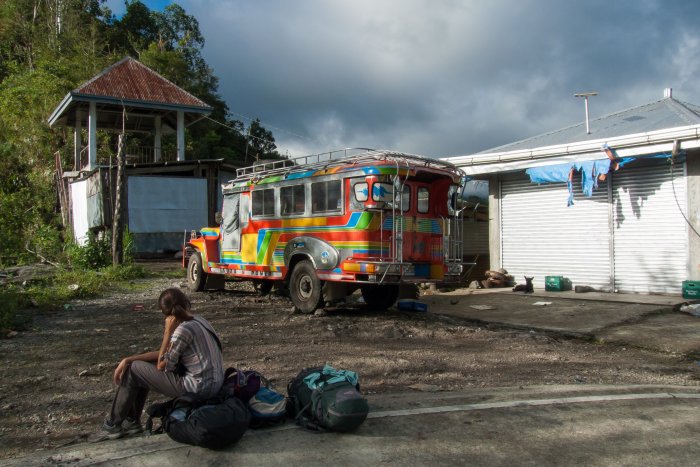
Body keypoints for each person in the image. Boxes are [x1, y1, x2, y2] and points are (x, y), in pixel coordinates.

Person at [93, 288, 224, 440]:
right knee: (137, 365)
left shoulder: (182, 330)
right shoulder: (200, 320)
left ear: (166, 314)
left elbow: (162, 364)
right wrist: (129, 359)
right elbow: (168, 354)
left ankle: (113, 425)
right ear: (186, 302)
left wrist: (167, 333)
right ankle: (131, 422)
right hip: (214, 385)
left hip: (198, 389)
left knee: (134, 370)